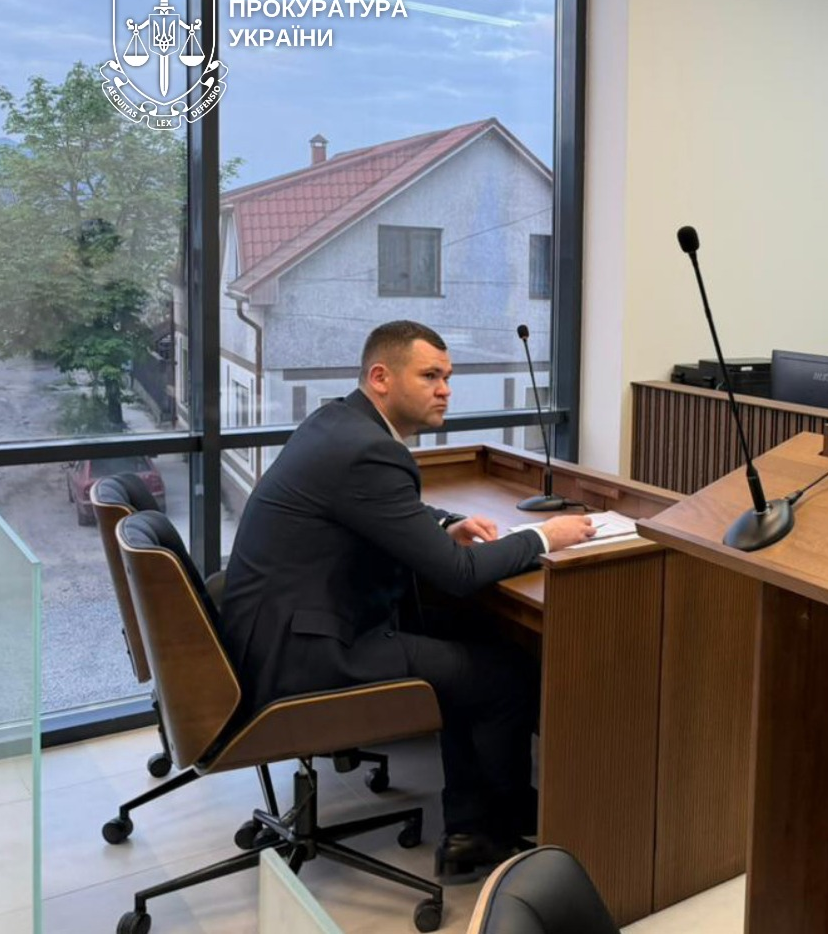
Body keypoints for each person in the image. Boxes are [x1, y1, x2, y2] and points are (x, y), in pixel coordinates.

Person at [217, 320, 594, 880]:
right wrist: (544, 537)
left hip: (274, 635)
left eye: (448, 377)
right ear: (381, 378)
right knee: (503, 674)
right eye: (430, 376)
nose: (445, 390)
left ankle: (470, 823)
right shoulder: (369, 450)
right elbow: (460, 574)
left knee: (469, 637)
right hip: (308, 656)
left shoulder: (337, 422)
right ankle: (489, 828)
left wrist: (444, 523)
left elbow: (377, 509)